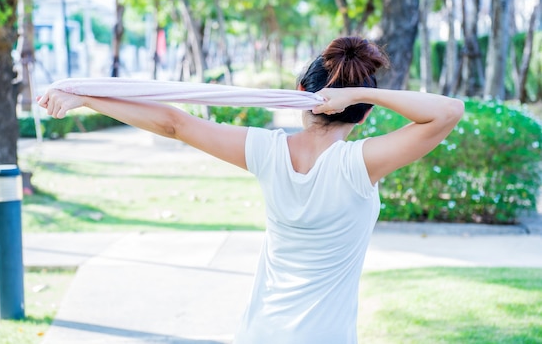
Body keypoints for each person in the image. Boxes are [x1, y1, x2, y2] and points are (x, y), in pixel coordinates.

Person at [37, 36, 464, 343]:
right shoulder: (360, 164)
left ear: (300, 93)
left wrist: (88, 97)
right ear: (364, 115)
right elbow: (448, 112)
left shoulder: (266, 150)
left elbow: (174, 122)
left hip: (260, 333)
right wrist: (355, 93)